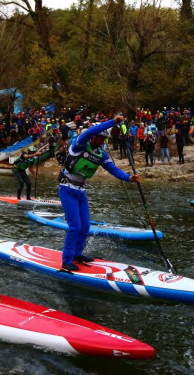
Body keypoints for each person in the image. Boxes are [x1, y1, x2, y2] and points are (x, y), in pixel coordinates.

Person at [57, 115, 140, 271]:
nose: (102, 141)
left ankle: (77, 254)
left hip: (80, 191)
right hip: (67, 188)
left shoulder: (102, 155)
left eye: (104, 139)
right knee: (74, 227)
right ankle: (66, 260)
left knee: (85, 227)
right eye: (101, 138)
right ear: (94, 137)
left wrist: (129, 178)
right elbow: (89, 132)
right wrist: (113, 122)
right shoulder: (79, 145)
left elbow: (114, 170)